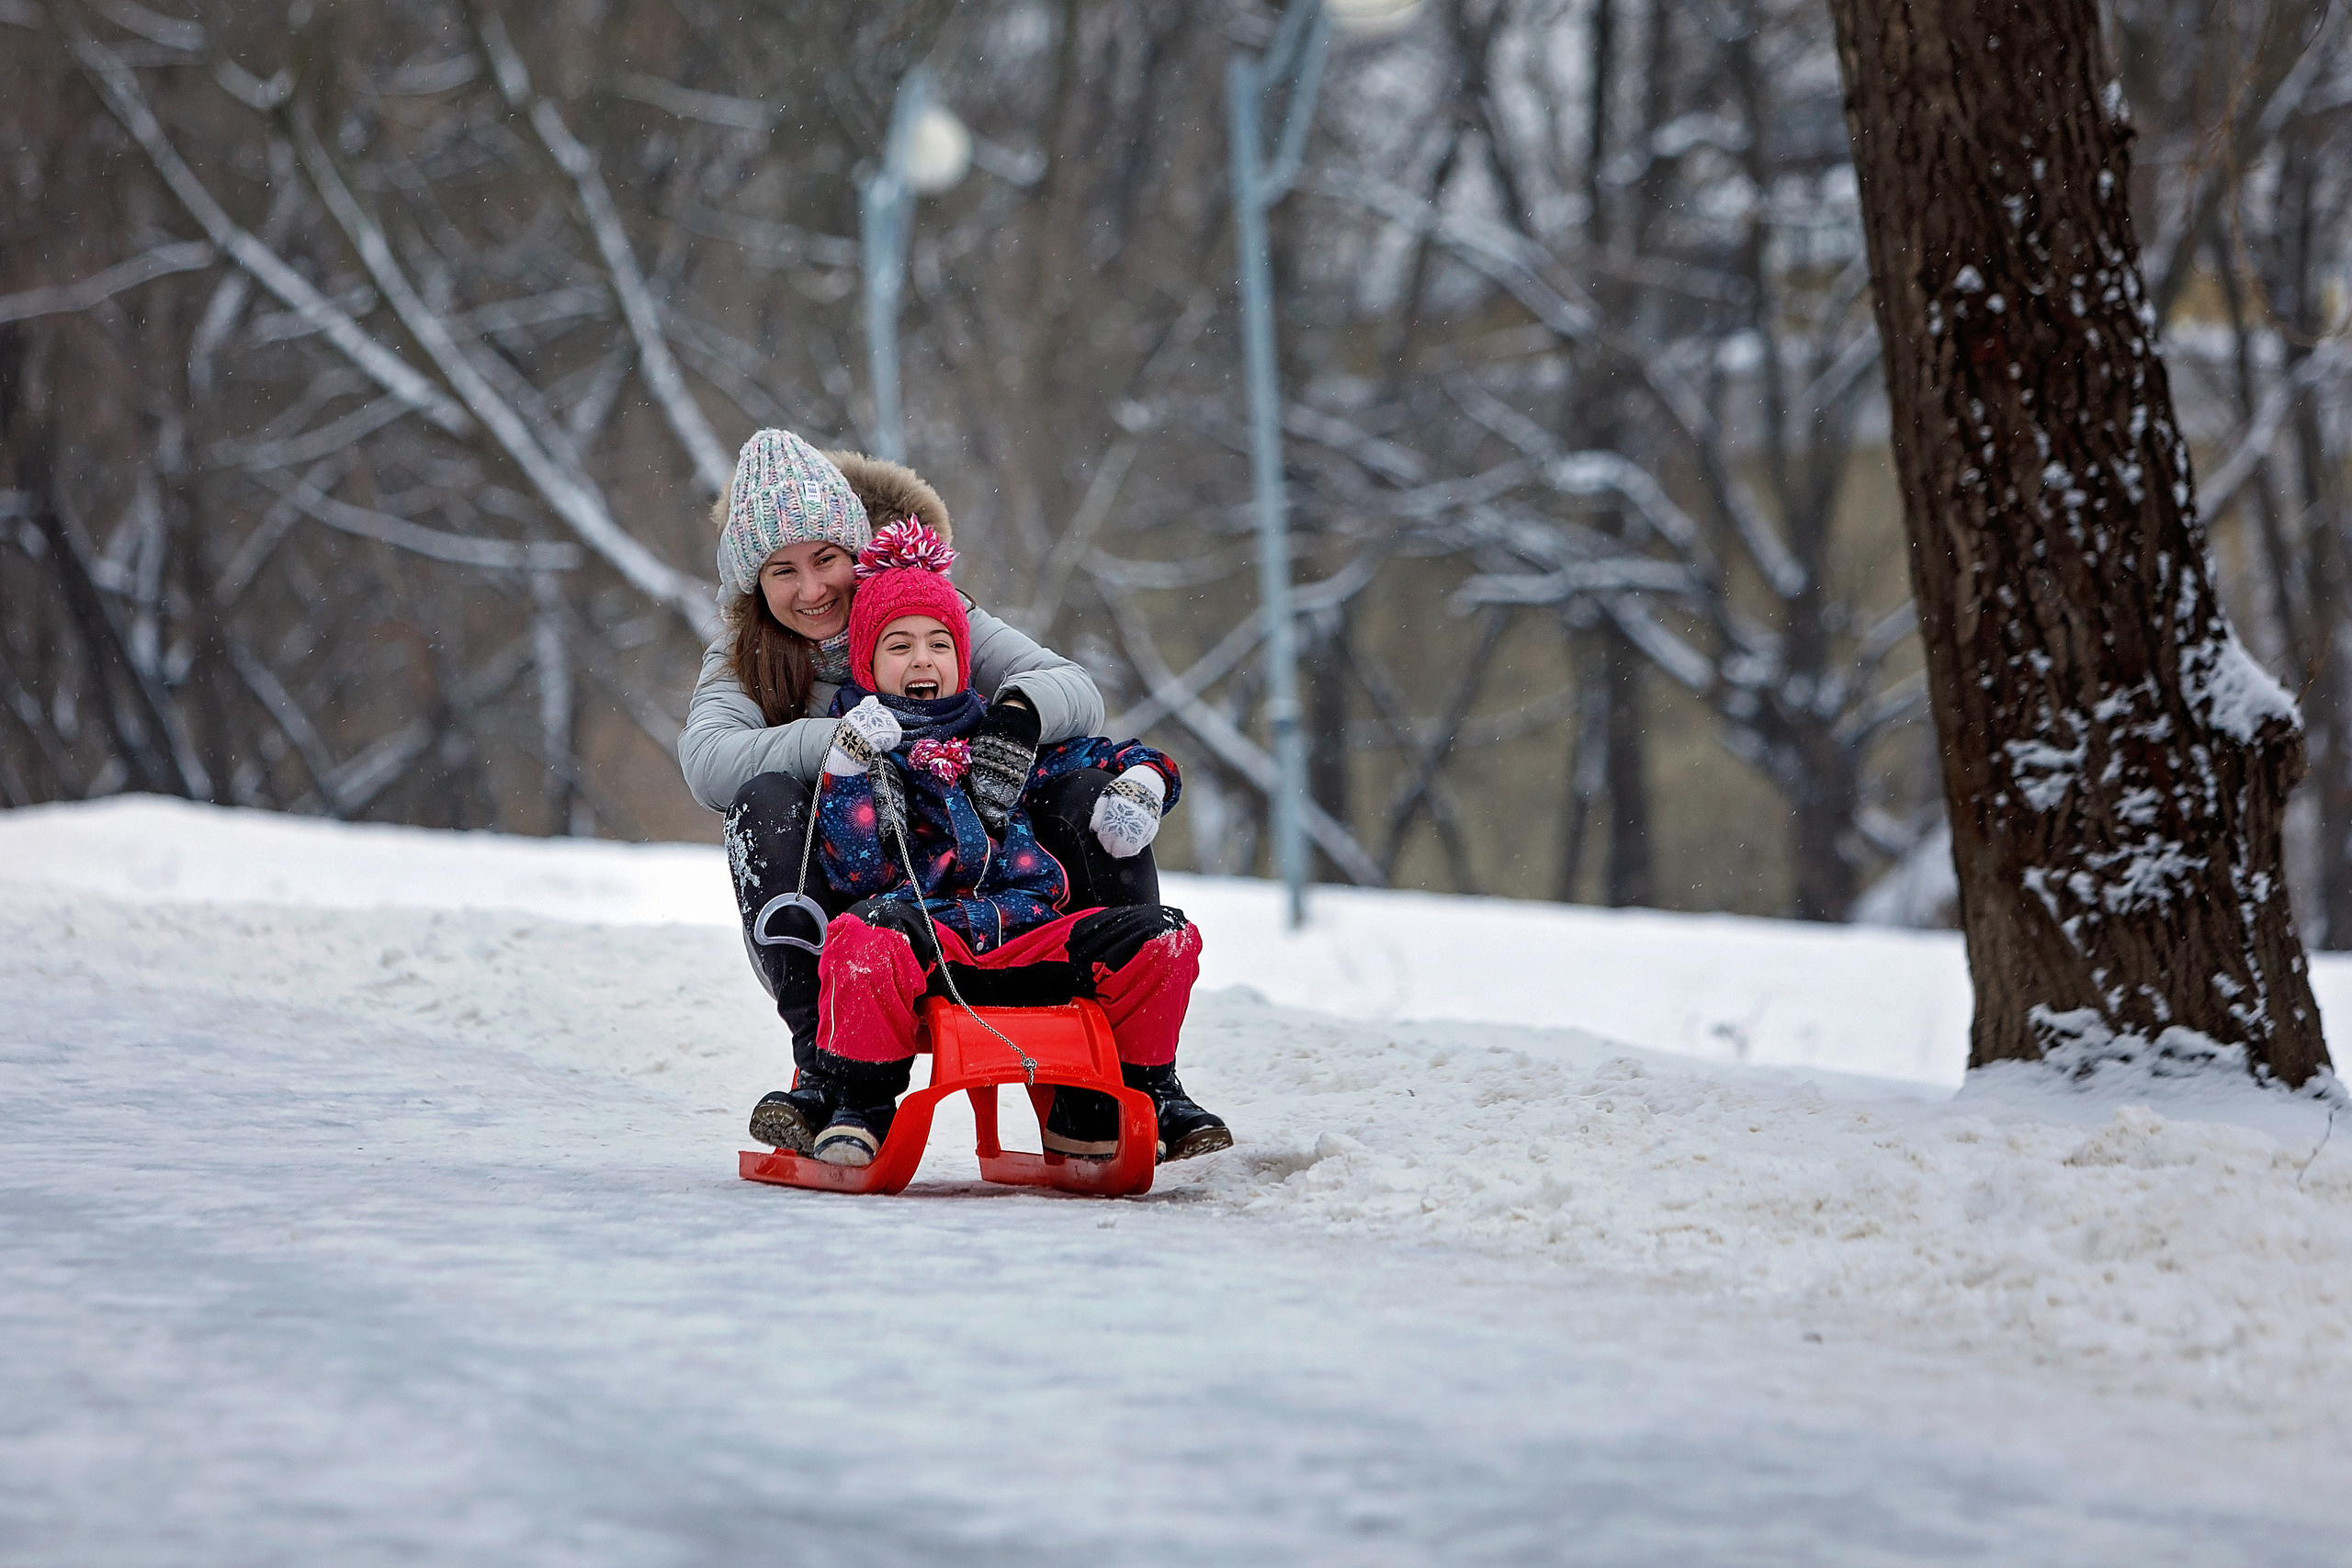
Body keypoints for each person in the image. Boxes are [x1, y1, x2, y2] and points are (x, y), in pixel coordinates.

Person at [676, 431, 1182, 1137]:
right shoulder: (747, 652)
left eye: (826, 559)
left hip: (981, 863)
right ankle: (824, 1070)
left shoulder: (927, 615)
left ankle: (1118, 1080)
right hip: (852, 881)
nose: (813, 588)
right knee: (763, 801)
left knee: (1086, 789)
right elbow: (707, 760)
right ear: (753, 585)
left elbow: (1075, 689)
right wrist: (846, 742)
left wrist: (1016, 714)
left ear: (858, 549)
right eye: (782, 571)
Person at [755, 517, 1229, 1168]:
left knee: (1162, 937)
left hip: (1029, 932)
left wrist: (1146, 782)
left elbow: (1109, 755)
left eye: (938, 644)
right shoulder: (864, 751)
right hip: (928, 938)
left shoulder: (997, 738)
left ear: (961, 658)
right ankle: (858, 1103)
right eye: (899, 646)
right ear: (866, 663)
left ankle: (1142, 1089)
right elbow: (859, 873)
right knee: (862, 937)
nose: (922, 659)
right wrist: (846, 769)